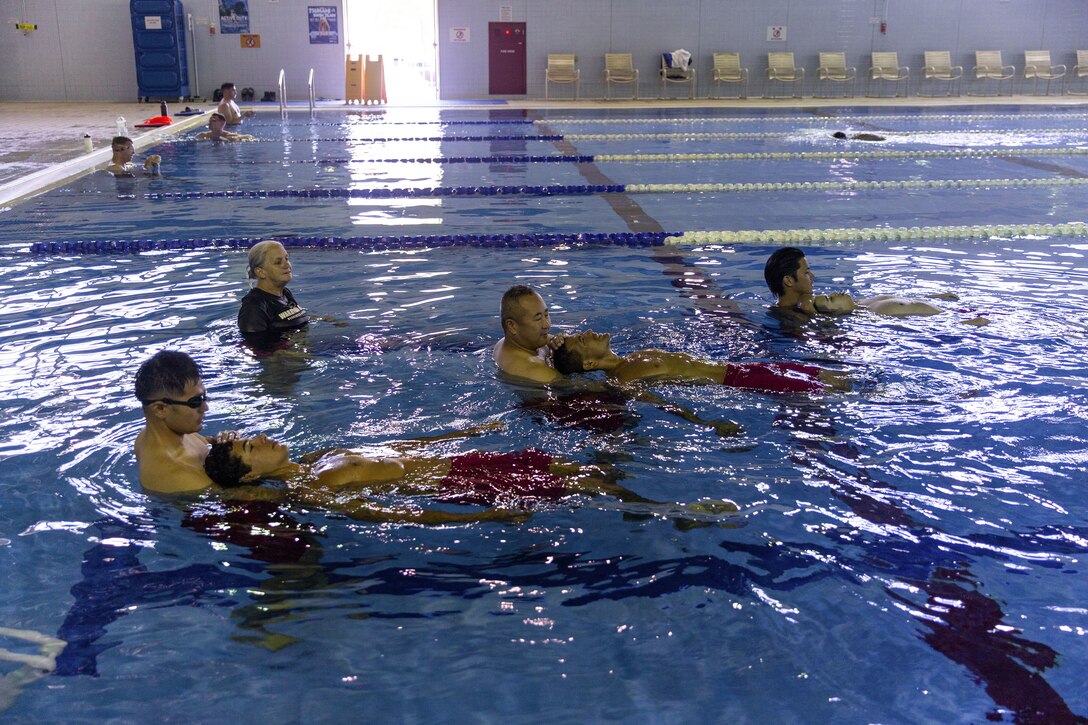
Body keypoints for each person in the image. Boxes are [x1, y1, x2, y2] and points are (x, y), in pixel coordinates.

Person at [204, 431, 738, 525]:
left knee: (577, 469)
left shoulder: (316, 458)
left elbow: (398, 449)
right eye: (254, 447)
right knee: (583, 479)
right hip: (461, 486)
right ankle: (672, 515)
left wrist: (460, 433)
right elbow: (396, 514)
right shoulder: (312, 490)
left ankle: (639, 505)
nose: (266, 440)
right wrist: (484, 512)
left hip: (464, 463)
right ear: (250, 470)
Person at [553, 330, 850, 393]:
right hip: (738, 382)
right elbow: (661, 404)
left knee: (831, 376)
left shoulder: (632, 357)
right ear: (589, 364)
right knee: (837, 387)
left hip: (746, 369)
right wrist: (706, 421)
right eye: (581, 340)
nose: (588, 332)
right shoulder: (623, 377)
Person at [134, 351, 236, 493]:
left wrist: (230, 444)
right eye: (195, 401)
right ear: (160, 409)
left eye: (203, 397)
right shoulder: (182, 477)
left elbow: (205, 446)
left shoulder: (152, 436)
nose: (205, 407)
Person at [238, 240, 310, 350]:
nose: (287, 265)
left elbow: (290, 317)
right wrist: (286, 356)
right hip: (285, 360)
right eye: (278, 262)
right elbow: (255, 346)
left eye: (286, 258)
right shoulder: (254, 306)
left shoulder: (285, 293)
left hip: (298, 348)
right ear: (260, 272)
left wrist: (325, 319)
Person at [493, 285, 563, 383]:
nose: (546, 325)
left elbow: (554, 340)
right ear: (512, 326)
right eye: (538, 318)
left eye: (546, 315)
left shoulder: (508, 342)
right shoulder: (538, 373)